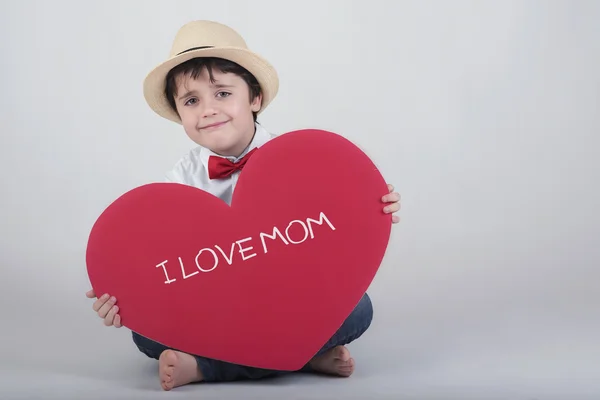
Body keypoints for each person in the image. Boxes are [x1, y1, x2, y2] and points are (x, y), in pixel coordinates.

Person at [85, 20, 401, 391]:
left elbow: (334, 222)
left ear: (254, 98)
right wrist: (120, 287)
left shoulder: (300, 161)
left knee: (358, 308)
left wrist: (372, 207)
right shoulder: (180, 180)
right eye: (191, 100)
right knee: (145, 334)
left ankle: (206, 368)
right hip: (222, 309)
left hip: (292, 297)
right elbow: (152, 252)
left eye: (222, 94)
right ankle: (306, 357)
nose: (208, 109)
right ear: (179, 114)